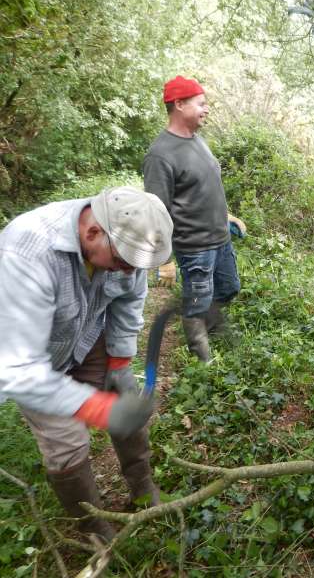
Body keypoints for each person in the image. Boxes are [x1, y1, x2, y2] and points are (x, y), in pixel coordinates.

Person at [0, 186, 173, 542]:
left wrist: (120, 361)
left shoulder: (123, 248)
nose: (129, 269)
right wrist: (98, 409)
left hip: (85, 333)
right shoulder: (26, 254)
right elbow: (18, 369)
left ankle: (142, 487)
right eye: (123, 260)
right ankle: (92, 526)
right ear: (92, 232)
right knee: (67, 443)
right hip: (32, 361)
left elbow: (129, 298)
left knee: (123, 394)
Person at [142, 75, 246, 363]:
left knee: (229, 288)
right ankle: (203, 361)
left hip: (219, 239)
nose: (207, 109)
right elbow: (156, 211)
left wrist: (227, 216)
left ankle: (205, 326)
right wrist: (164, 260)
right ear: (179, 104)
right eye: (201, 103)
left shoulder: (198, 141)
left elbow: (205, 185)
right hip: (195, 247)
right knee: (198, 303)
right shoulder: (160, 155)